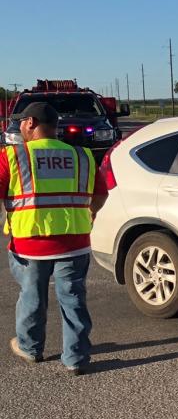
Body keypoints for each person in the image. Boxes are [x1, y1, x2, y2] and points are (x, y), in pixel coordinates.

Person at [2, 102, 107, 375]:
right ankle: (75, 357)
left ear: (30, 123)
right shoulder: (82, 156)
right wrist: (89, 213)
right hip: (74, 242)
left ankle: (30, 347)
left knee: (32, 297)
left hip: (30, 243)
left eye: (22, 123)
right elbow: (100, 194)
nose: (20, 128)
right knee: (73, 299)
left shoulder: (13, 156)